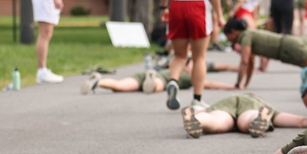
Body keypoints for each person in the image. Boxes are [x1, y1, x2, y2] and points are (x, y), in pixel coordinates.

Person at [223, 18, 307, 88]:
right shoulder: (248, 35)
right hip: (289, 44)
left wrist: (237, 83)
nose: (227, 38)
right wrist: (244, 84)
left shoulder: (245, 37)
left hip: (289, 48)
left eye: (227, 35)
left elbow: (245, 62)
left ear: (234, 31)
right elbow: (250, 62)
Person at [181, 94, 307, 139]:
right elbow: (301, 121)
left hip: (226, 102)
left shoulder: (229, 99)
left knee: (217, 120)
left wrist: (199, 113)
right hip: (251, 105)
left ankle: (198, 121)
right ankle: (257, 119)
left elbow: (205, 109)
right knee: (248, 119)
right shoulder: (260, 102)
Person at [81, 67, 235, 95]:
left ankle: (99, 82)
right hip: (160, 78)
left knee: (120, 85)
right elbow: (209, 84)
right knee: (159, 86)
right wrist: (232, 87)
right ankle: (152, 82)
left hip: (146, 74)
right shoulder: (188, 76)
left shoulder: (173, 63)